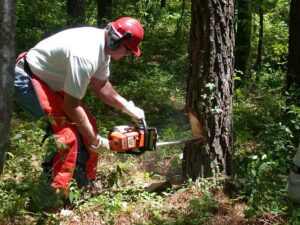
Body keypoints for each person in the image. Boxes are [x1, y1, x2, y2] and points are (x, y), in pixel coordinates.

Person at [14, 17, 145, 209]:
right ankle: (45, 203)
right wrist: (95, 141)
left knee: (87, 125)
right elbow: (71, 106)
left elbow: (101, 86)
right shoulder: (86, 54)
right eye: (127, 50)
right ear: (116, 41)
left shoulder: (103, 50)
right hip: (28, 77)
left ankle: (79, 187)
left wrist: (126, 106)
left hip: (51, 82)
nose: (128, 54)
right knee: (66, 139)